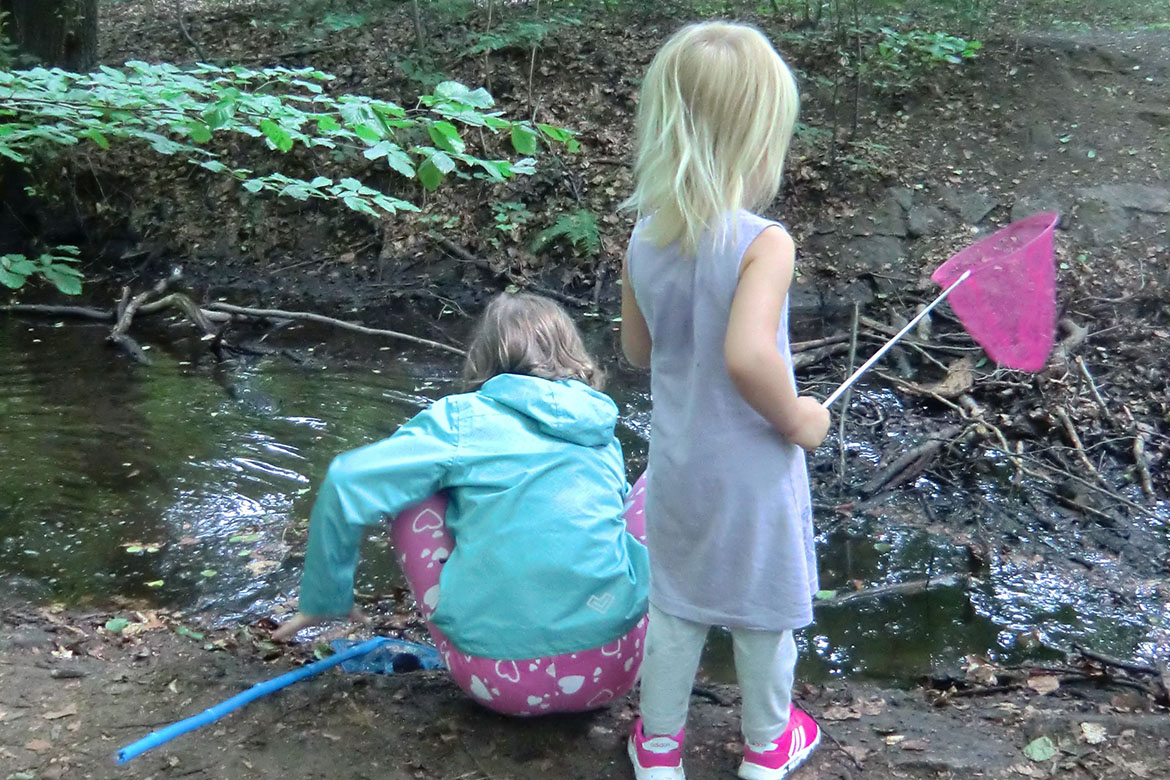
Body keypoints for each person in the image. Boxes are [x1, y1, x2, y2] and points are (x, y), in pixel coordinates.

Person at [620, 22, 831, 780]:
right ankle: (767, 748)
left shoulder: (645, 234)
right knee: (763, 611)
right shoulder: (763, 242)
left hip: (676, 464)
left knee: (676, 608)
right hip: (750, 472)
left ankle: (660, 748)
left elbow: (638, 351)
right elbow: (748, 356)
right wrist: (800, 418)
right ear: (758, 135)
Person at [273, 292, 650, 716]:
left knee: (413, 488)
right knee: (656, 484)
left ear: (484, 356)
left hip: (499, 682)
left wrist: (326, 596)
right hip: (615, 669)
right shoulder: (599, 421)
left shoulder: (461, 418)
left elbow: (348, 479)